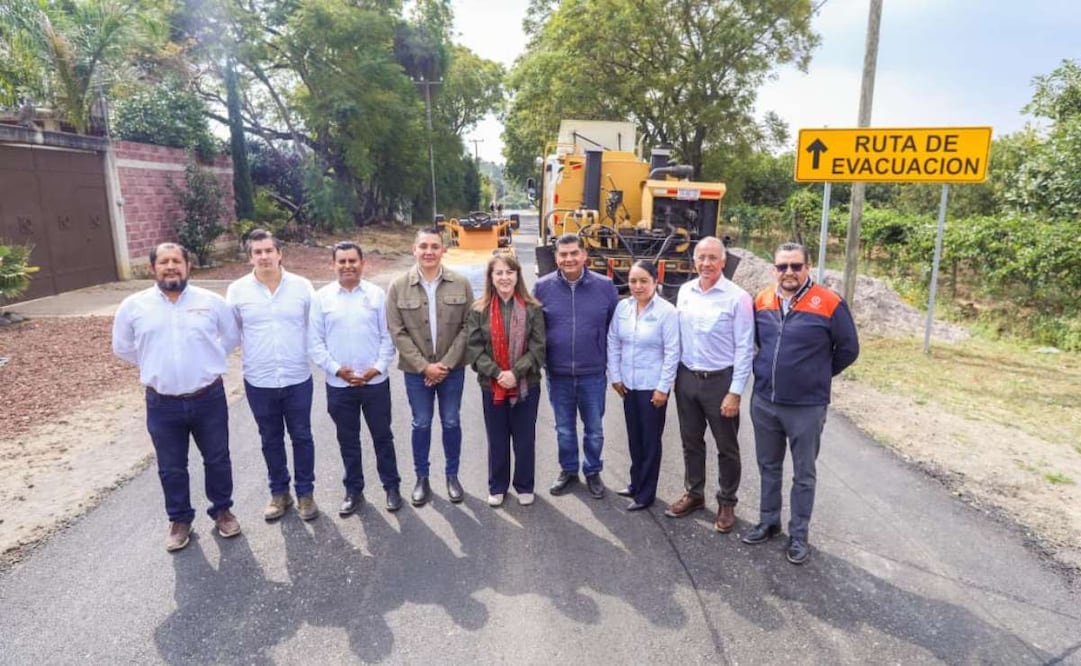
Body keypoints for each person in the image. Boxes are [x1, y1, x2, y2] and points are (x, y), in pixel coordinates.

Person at [111, 242, 241, 552]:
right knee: (171, 466)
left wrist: (207, 360)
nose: (171, 267)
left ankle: (222, 511)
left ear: (188, 266)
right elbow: (122, 347)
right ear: (152, 269)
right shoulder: (133, 306)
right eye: (164, 262)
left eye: (176, 261)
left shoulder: (211, 302)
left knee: (217, 458)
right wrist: (154, 364)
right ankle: (180, 520)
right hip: (162, 403)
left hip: (208, 397)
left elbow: (231, 337)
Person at [742, 242, 859, 565]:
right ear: (774, 270)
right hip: (765, 400)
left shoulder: (829, 302)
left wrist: (817, 374)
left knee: (803, 473)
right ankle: (768, 521)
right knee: (768, 466)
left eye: (796, 266)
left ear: (808, 268)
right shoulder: (762, 300)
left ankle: (798, 535)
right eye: (782, 266)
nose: (789, 272)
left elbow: (849, 349)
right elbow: (758, 343)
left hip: (806, 407)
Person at [226, 229, 319, 522]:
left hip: (297, 376)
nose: (264, 256)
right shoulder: (237, 291)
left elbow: (315, 327)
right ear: (250, 257)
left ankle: (305, 494)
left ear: (280, 254)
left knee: (302, 436)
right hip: (259, 380)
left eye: (269, 251)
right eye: (258, 252)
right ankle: (280, 493)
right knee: (270, 439)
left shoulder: (302, 287)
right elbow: (231, 334)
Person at [667, 236, 754, 534]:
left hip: (720, 382)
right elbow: (678, 338)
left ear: (723, 261)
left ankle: (727, 502)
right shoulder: (685, 291)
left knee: (726, 446)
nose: (706, 263)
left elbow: (744, 348)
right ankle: (694, 493)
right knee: (691, 441)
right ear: (694, 261)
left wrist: (735, 391)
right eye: (701, 258)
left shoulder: (738, 298)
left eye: (712, 258)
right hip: (687, 379)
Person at [309, 241, 402, 515]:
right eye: (342, 261)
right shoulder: (321, 298)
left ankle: (391, 487)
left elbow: (388, 336)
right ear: (333, 264)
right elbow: (315, 342)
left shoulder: (376, 295)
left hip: (375, 383)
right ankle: (353, 490)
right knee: (348, 441)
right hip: (339, 385)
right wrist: (337, 369)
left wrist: (378, 368)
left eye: (353, 261)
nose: (347, 266)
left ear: (363, 263)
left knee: (382, 437)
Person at [386, 227, 474, 506]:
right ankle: (421, 478)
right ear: (414, 249)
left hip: (452, 370)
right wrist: (425, 367)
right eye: (423, 246)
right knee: (421, 423)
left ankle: (452, 476)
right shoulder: (398, 286)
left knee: (451, 421)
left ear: (443, 250)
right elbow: (397, 331)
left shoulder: (461, 283)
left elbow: (469, 327)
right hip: (416, 372)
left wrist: (444, 365)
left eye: (435, 246)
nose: (429, 252)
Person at [534, 233, 619, 498]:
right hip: (557, 373)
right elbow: (535, 329)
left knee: (594, 429)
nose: (569, 259)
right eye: (563, 254)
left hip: (592, 373)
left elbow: (613, 328)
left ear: (584, 255)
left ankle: (592, 471)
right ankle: (569, 470)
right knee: (564, 429)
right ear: (556, 257)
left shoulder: (605, 287)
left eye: (574, 253)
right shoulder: (542, 287)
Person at [465, 254, 546, 507]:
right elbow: (474, 350)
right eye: (498, 273)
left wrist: (515, 373)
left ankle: (524, 485)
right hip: (492, 385)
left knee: (524, 439)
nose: (504, 278)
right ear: (491, 277)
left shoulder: (533, 308)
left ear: (517, 275)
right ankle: (497, 486)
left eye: (509, 272)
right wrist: (498, 374)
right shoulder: (478, 310)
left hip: (527, 385)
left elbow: (539, 347)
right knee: (497, 439)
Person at [606, 261, 680, 511]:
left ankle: (646, 494)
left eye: (643, 281)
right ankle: (635, 483)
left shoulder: (667, 312)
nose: (638, 286)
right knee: (634, 438)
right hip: (629, 385)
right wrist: (615, 376)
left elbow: (672, 352)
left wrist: (663, 388)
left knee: (650, 441)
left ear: (655, 282)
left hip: (652, 388)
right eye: (633, 281)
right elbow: (613, 342)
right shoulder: (623, 307)